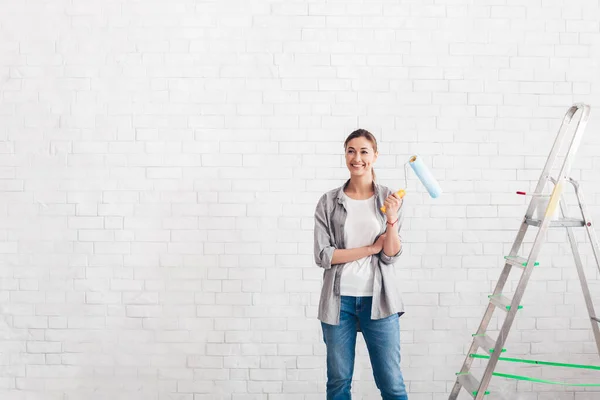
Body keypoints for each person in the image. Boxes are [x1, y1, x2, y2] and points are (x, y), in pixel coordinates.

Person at [313, 129, 408, 400]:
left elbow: (390, 255)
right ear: (345, 155)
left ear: (375, 156)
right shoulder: (329, 202)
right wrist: (369, 249)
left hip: (380, 302)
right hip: (338, 302)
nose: (357, 158)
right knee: (339, 381)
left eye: (364, 151)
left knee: (391, 382)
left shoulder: (390, 198)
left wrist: (391, 219)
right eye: (351, 151)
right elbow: (324, 256)